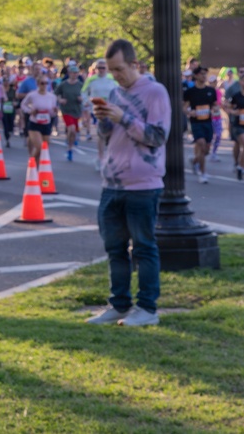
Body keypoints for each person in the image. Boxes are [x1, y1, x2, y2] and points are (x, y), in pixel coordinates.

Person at [86, 39, 171, 327]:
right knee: (115, 248)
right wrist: (104, 121)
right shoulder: (114, 92)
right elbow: (109, 136)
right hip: (112, 184)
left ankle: (147, 309)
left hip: (143, 185)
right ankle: (119, 304)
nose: (116, 76)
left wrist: (124, 118)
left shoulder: (155, 92)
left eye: (120, 69)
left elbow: (158, 137)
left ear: (135, 64)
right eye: (111, 70)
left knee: (144, 247)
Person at [183, 66, 217, 184]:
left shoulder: (210, 90)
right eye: (202, 74)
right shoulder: (190, 92)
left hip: (208, 122)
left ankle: (194, 160)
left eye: (205, 74)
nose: (204, 76)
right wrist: (189, 112)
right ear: (196, 75)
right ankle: (203, 174)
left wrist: (214, 109)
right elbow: (184, 107)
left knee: (206, 151)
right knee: (201, 145)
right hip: (196, 123)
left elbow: (214, 105)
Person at [83, 59, 118, 171]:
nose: (101, 70)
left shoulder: (112, 79)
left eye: (103, 68)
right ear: (95, 69)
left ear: (107, 68)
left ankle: (111, 157)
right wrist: (86, 101)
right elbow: (83, 92)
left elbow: (119, 92)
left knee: (112, 133)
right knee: (101, 134)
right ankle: (100, 157)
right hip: (97, 110)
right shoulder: (91, 80)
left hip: (111, 108)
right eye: (99, 68)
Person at [20, 73, 58, 166]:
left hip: (46, 124)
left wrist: (55, 111)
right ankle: (31, 165)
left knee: (43, 150)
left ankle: (35, 167)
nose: (44, 85)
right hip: (35, 123)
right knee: (40, 147)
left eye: (46, 83)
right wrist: (30, 111)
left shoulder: (52, 96)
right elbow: (23, 105)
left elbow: (52, 113)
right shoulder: (32, 95)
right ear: (38, 84)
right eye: (42, 83)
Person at [224, 71, 244, 180]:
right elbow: (227, 106)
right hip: (239, 124)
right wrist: (233, 112)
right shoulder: (236, 96)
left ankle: (241, 166)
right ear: (240, 82)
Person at [55, 64, 85, 161]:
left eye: (76, 73)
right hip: (66, 110)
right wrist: (60, 100)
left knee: (74, 131)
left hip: (76, 110)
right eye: (73, 73)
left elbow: (86, 95)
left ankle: (70, 148)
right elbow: (56, 94)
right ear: (69, 73)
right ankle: (69, 144)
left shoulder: (80, 85)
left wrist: (82, 99)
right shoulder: (64, 84)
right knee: (71, 129)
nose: (74, 74)